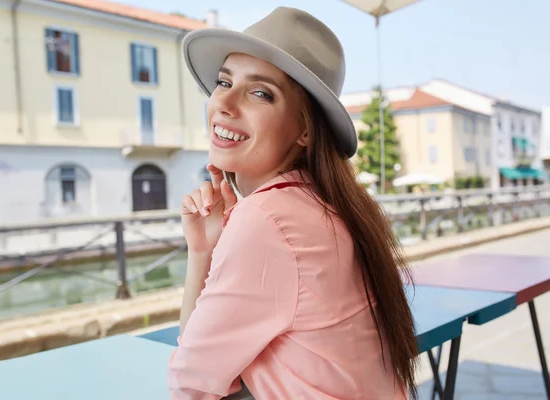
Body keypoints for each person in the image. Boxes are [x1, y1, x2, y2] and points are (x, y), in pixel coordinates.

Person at [168, 7, 419, 399]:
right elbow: (203, 357)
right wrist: (204, 250)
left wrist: (206, 254)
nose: (225, 104)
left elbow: (191, 383)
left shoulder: (266, 220)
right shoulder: (327, 204)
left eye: (260, 93)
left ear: (305, 128)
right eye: (223, 82)